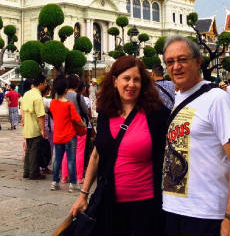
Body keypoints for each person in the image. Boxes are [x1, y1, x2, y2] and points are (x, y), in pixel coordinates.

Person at [71, 55, 169, 236]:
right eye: (126, 78)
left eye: (136, 79)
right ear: (115, 81)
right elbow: (96, 155)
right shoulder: (106, 114)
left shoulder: (156, 114)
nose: (131, 84)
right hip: (110, 203)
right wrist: (83, 195)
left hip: (146, 205)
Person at [161, 36, 230, 236]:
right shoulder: (178, 98)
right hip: (172, 209)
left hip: (206, 213)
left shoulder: (217, 99)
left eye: (182, 59)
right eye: (170, 62)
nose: (176, 67)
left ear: (198, 62)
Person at [50, 76, 84, 192]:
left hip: (57, 135)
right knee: (71, 159)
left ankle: (55, 182)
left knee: (57, 159)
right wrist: (84, 125)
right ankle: (73, 183)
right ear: (65, 89)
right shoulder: (69, 105)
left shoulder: (53, 103)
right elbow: (77, 119)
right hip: (69, 135)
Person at [62, 74, 90, 183]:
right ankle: (79, 177)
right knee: (79, 151)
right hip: (78, 126)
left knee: (66, 151)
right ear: (76, 84)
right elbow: (85, 111)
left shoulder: (61, 96)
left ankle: (64, 176)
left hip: (65, 126)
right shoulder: (79, 97)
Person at [21, 74, 47, 180]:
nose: (45, 85)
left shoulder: (27, 93)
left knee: (28, 150)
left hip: (28, 126)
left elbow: (22, 108)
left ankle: (26, 171)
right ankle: (34, 172)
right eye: (45, 83)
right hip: (35, 127)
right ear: (40, 84)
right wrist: (42, 130)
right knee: (34, 151)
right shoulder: (38, 97)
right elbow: (41, 115)